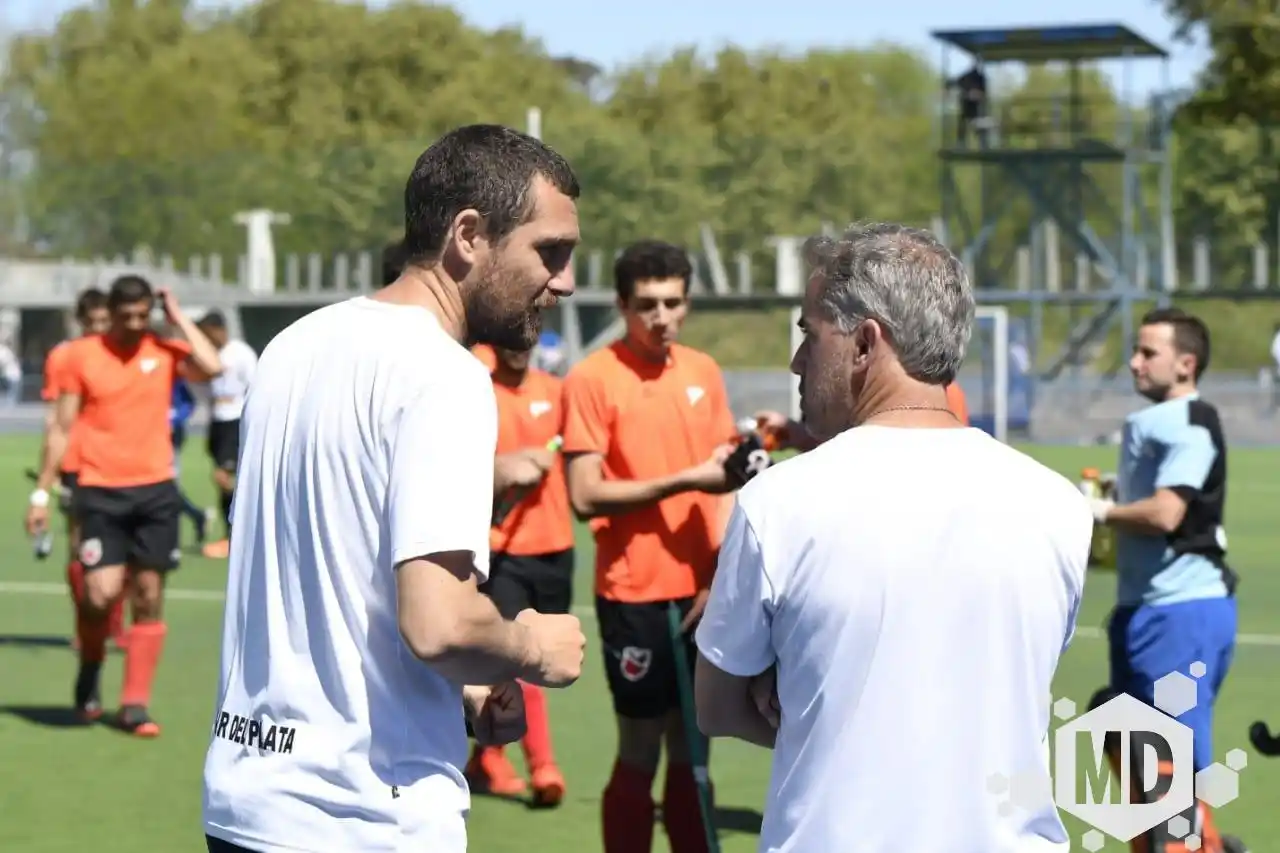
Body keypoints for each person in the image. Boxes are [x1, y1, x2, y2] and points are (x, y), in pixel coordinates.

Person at [202, 124, 587, 853]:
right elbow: (439, 624)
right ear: (469, 234)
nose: (564, 280)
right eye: (550, 251)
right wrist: (528, 646)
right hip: (361, 817)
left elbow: (340, 576)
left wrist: (462, 687)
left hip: (246, 802)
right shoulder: (445, 377)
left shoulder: (293, 347)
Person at [693, 222, 1091, 852]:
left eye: (809, 333)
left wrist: (806, 700)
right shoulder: (1060, 505)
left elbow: (715, 707)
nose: (798, 359)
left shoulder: (782, 500)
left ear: (864, 342)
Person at [562, 239, 738, 853]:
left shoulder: (702, 372)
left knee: (694, 747)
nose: (661, 317)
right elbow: (584, 494)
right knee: (639, 747)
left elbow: (726, 486)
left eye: (673, 303)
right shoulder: (591, 378)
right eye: (646, 305)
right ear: (621, 305)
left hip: (701, 592)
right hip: (633, 593)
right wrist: (687, 479)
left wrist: (721, 574)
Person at [26, 275, 223, 733]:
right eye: (126, 315)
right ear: (110, 313)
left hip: (155, 491)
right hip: (99, 490)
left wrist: (176, 317)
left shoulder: (163, 349)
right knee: (99, 594)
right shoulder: (80, 356)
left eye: (143, 315)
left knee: (150, 594)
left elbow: (211, 366)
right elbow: (60, 428)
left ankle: (135, 704)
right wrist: (42, 492)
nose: (135, 324)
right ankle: (91, 664)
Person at [1087, 308, 1245, 853]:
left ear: (1186, 363)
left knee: (1167, 768)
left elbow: (1165, 514)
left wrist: (1099, 512)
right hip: (1145, 609)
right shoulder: (1157, 421)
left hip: (1182, 612)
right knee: (1127, 738)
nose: (1133, 362)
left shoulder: (1192, 421)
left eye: (1147, 353)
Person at [467, 344, 573, 805]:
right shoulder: (476, 392)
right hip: (501, 552)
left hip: (556, 550)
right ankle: (544, 767)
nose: (518, 348)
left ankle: (485, 758)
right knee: (520, 660)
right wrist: (506, 470)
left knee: (537, 661)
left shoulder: (558, 392)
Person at [33, 288, 118, 647]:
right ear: (80, 321)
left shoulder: (124, 353)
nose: (98, 328)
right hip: (78, 465)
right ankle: (85, 623)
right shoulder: (64, 357)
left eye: (104, 321)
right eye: (92, 322)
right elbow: (55, 420)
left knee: (123, 550)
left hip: (123, 465)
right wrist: (45, 476)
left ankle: (112, 619)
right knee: (79, 546)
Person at [193, 310, 257, 559]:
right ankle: (232, 534)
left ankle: (237, 534)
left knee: (223, 476)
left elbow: (255, 385)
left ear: (218, 329)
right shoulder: (209, 354)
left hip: (235, 420)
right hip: (217, 420)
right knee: (221, 480)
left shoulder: (240, 353)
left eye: (207, 333)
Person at [170, 373, 210, 548]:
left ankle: (171, 540)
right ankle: (197, 515)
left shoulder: (173, 377)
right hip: (141, 437)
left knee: (166, 486)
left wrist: (174, 417)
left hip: (170, 437)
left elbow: (188, 404)